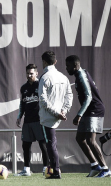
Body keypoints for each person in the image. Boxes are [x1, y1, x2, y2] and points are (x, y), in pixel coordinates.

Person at [65, 55, 111, 178]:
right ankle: (95, 166)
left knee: (91, 140)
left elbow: (89, 97)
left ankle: (105, 169)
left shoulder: (81, 76)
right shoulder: (80, 73)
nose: (66, 68)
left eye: (68, 66)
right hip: (88, 110)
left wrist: (79, 114)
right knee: (80, 139)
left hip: (95, 110)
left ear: (75, 66)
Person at [38, 50, 73, 179]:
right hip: (58, 114)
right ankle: (55, 170)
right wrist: (64, 110)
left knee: (50, 144)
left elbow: (43, 100)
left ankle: (56, 171)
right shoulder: (63, 77)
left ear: (44, 62)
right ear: (55, 62)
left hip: (49, 117)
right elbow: (69, 95)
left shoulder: (44, 77)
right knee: (52, 144)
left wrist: (57, 113)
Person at [16, 64, 49, 176]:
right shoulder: (23, 88)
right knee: (25, 145)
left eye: (31, 73)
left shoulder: (41, 84)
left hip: (40, 120)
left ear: (36, 73)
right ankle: (26, 169)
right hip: (27, 121)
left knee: (43, 144)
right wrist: (19, 116)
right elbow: (22, 103)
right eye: (28, 73)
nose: (29, 75)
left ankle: (46, 168)